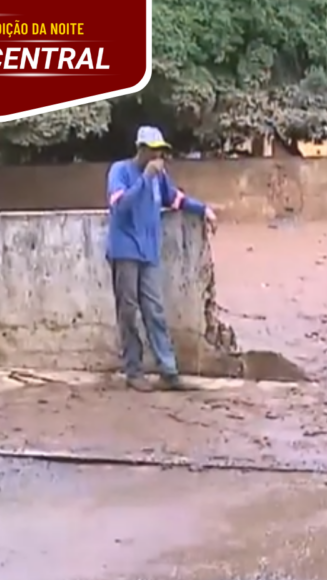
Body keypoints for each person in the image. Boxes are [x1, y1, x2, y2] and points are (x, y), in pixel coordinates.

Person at [106, 126, 218, 392]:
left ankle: (168, 371)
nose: (160, 158)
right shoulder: (120, 171)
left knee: (155, 310)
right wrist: (144, 178)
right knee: (128, 312)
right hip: (125, 251)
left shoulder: (160, 178)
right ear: (142, 150)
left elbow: (175, 199)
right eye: (155, 152)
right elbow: (120, 205)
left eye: (162, 153)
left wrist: (204, 209)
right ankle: (133, 371)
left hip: (148, 252)